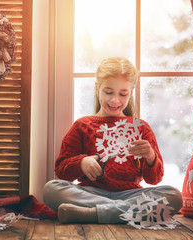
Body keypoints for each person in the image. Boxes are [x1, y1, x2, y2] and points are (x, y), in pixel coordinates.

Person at [43, 57, 183, 224]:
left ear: (130, 93)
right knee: (51, 189)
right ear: (97, 88)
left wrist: (151, 157)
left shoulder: (141, 128)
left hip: (130, 194)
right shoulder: (82, 125)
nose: (115, 100)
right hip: (91, 193)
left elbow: (154, 180)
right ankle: (120, 211)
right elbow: (61, 171)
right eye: (108, 92)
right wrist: (81, 163)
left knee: (173, 195)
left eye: (123, 94)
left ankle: (92, 214)